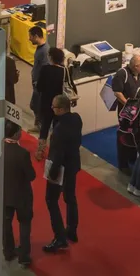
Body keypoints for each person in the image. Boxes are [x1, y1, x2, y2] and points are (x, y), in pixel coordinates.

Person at [42, 95, 82, 253]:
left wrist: (52, 173)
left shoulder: (59, 130)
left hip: (60, 169)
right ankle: (72, 230)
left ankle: (59, 237)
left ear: (61, 109)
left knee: (51, 200)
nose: (52, 109)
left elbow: (58, 155)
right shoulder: (76, 119)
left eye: (54, 107)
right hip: (73, 165)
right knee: (70, 198)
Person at [2, 121, 35, 266]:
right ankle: (24, 256)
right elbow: (31, 175)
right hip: (22, 195)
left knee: (6, 224)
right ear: (16, 134)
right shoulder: (23, 153)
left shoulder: (0, 149)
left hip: (6, 194)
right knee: (25, 224)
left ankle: (8, 251)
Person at [110, 53, 140, 172]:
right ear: (135, 66)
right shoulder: (122, 74)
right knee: (124, 135)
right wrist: (128, 105)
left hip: (137, 111)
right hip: (126, 112)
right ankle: (123, 164)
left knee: (135, 134)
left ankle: (132, 157)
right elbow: (117, 92)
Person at [34, 47, 66, 161]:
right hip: (60, 105)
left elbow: (39, 87)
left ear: (51, 57)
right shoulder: (64, 71)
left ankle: (40, 151)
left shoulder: (45, 69)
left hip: (46, 103)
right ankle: (54, 152)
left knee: (45, 128)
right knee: (57, 129)